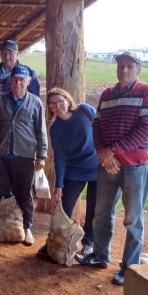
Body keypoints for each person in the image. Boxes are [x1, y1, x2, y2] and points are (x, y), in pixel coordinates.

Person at [75, 51, 148, 286]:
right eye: (120, 65)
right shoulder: (107, 95)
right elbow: (97, 125)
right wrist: (103, 153)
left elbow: (145, 129)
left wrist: (112, 151)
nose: (124, 70)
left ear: (138, 69)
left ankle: (129, 267)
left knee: (132, 218)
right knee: (101, 214)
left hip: (135, 165)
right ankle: (100, 256)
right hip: (107, 164)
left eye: (129, 65)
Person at [0, 65, 47, 246]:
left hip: (25, 156)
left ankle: (26, 227)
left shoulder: (35, 102)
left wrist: (41, 156)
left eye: (22, 79)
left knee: (24, 194)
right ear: (10, 81)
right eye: (15, 79)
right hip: (2, 155)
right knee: (2, 193)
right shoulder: (0, 100)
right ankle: (3, 226)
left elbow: (41, 132)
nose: (18, 83)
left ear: (28, 81)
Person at [37, 87, 98, 257]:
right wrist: (59, 185)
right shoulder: (56, 129)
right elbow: (60, 158)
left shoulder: (85, 110)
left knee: (94, 207)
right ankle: (55, 241)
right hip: (74, 170)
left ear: (68, 100)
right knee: (64, 208)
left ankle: (89, 242)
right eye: (52, 104)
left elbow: (102, 128)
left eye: (60, 101)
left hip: (97, 167)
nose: (57, 106)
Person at [0, 39, 40, 206]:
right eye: (5, 53)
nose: (7, 56)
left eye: (11, 53)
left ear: (17, 54)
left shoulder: (29, 72)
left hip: (20, 118)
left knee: (15, 156)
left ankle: (14, 195)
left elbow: (34, 96)